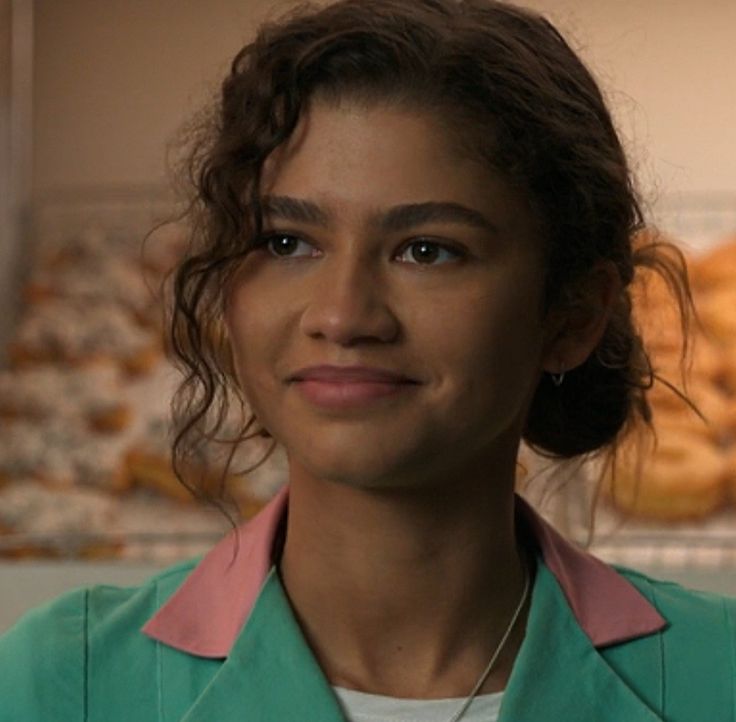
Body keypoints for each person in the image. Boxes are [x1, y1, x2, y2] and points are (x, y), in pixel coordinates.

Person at [2, 1, 734, 720]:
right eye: (286, 242)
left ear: (573, 316)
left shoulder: (717, 676)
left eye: (428, 250)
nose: (342, 315)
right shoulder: (66, 684)